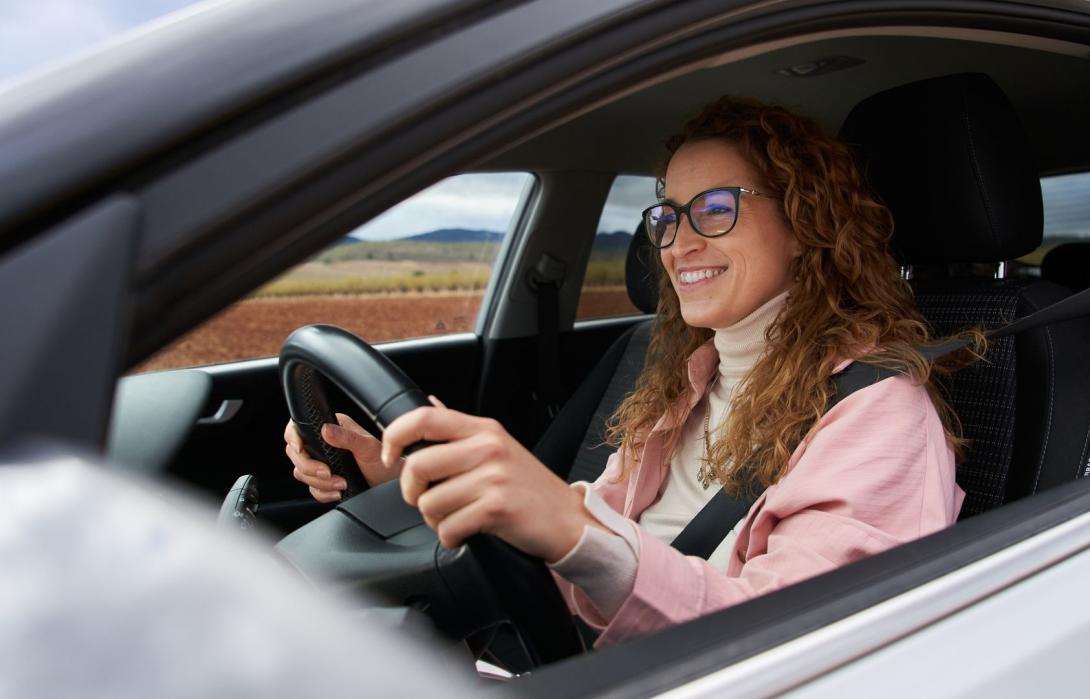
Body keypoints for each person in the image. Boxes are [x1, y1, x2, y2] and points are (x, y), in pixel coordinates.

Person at [285, 96, 968, 648]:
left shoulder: (881, 414)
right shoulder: (687, 383)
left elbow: (795, 648)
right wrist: (401, 476)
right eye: (668, 214)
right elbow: (580, 543)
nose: (679, 241)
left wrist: (569, 525)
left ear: (803, 221)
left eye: (717, 208)